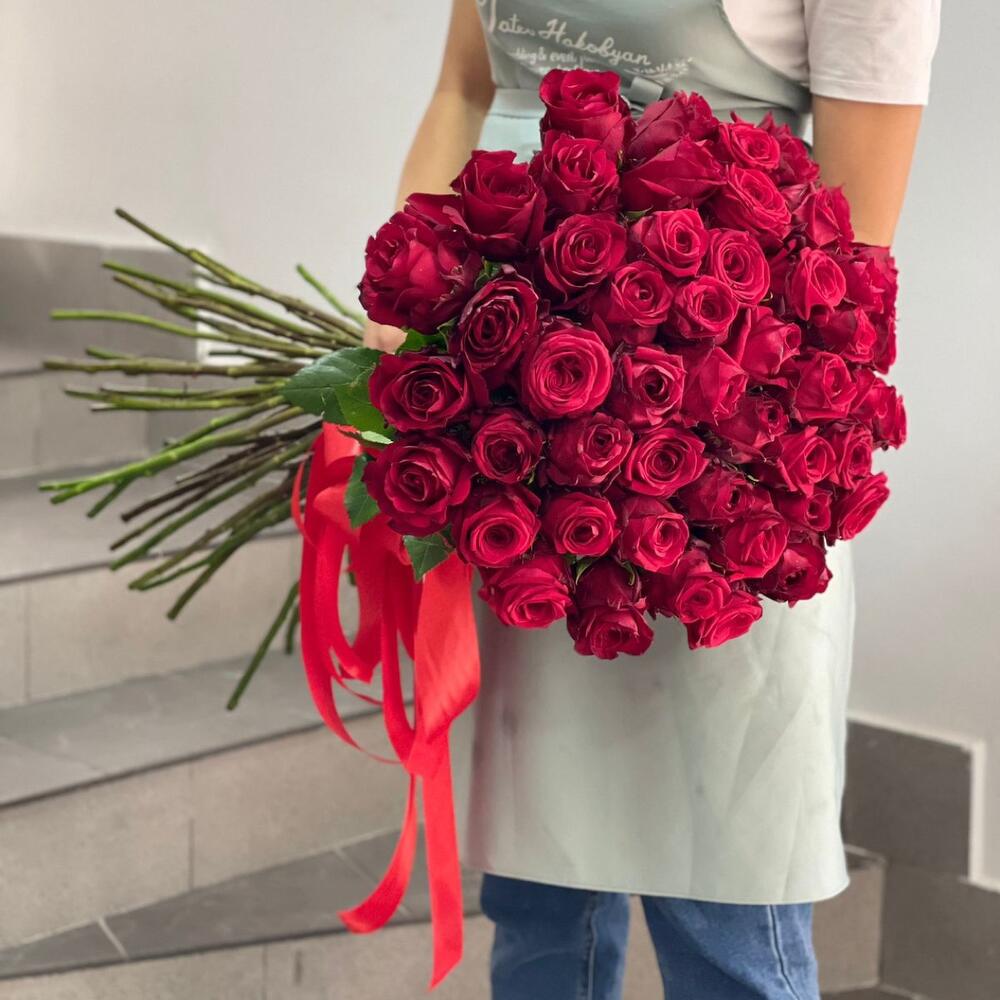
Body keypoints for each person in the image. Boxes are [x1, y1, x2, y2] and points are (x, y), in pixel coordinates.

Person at [366, 2, 940, 997]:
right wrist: (406, 316)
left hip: (708, 456)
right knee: (538, 899)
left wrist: (680, 430)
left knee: (727, 910)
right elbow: (468, 87)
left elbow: (847, 259)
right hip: (505, 424)